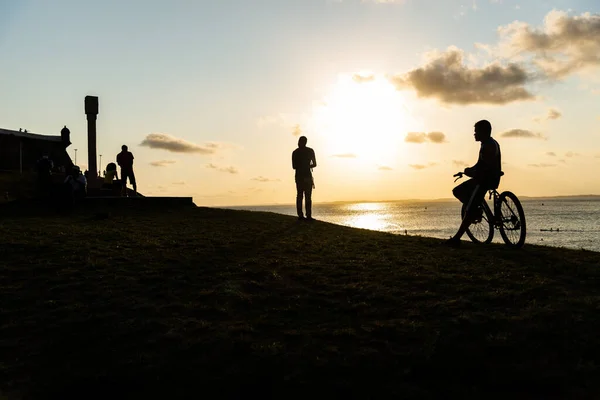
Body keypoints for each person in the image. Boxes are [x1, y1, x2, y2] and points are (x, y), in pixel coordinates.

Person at [445, 120, 502, 247]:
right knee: (464, 195)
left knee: (462, 197)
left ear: (483, 132)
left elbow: (483, 168)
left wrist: (470, 172)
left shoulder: (487, 146)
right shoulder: (489, 144)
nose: (474, 134)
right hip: (489, 178)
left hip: (484, 181)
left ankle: (457, 237)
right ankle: (475, 209)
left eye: (476, 131)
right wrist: (468, 170)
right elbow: (480, 165)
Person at [292, 136, 317, 221]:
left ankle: (301, 215)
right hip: (306, 176)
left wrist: (303, 165)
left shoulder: (295, 152)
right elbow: (314, 164)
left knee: (300, 196)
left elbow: (294, 166)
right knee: (306, 196)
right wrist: (307, 165)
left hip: (300, 176)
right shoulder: (310, 151)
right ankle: (307, 215)